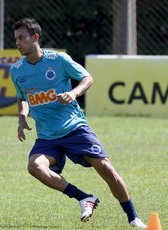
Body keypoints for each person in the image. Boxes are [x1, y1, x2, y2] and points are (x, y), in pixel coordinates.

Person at [10, 18, 146, 228]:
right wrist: (22, 117)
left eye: (22, 38)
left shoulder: (59, 60)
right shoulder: (17, 70)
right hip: (47, 136)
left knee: (106, 169)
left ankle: (133, 217)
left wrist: (73, 93)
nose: (18, 43)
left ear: (35, 37)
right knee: (35, 166)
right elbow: (22, 97)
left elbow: (87, 78)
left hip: (74, 128)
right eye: (16, 39)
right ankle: (84, 198)